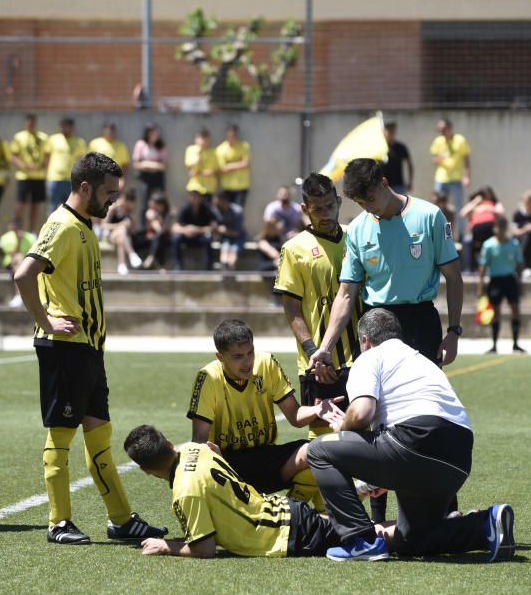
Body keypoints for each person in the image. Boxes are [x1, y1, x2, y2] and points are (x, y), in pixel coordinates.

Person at [13, 151, 167, 545]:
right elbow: (23, 274)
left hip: (88, 348)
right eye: (109, 192)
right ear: (85, 187)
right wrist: (47, 321)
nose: (114, 199)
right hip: (64, 347)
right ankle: (58, 522)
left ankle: (121, 520)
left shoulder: (84, 225)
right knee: (62, 435)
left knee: (99, 435)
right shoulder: (62, 225)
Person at [309, 158, 464, 523]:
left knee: (423, 410)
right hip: (376, 322)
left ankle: (445, 510)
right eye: (360, 203)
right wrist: (325, 346)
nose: (368, 208)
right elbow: (347, 293)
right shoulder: (359, 229)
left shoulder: (429, 216)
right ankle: (378, 517)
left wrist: (454, 330)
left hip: (420, 321)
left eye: (370, 199)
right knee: (373, 414)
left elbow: (454, 277)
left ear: (384, 182)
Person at [307, 309, 516, 562]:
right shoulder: (422, 361)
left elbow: (362, 412)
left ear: (365, 341)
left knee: (318, 449)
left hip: (414, 440)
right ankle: (484, 525)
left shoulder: (370, 356)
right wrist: (381, 474)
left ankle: (360, 540)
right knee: (412, 539)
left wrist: (342, 427)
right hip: (459, 457)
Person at [124, 425, 343, 558]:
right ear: (171, 444)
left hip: (285, 534)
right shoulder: (196, 448)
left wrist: (166, 545)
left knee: (359, 533)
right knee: (347, 525)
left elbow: (205, 550)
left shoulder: (185, 492)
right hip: (284, 512)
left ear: (146, 470)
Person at [187, 319, 333, 504]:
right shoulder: (208, 377)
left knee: (317, 453)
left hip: (265, 456)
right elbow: (199, 441)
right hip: (228, 463)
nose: (247, 362)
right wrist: (218, 463)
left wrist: (318, 410)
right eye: (237, 356)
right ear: (220, 356)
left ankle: (292, 510)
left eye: (250, 352)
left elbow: (295, 416)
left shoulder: (266, 363)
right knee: (201, 474)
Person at [273, 173, 361, 445]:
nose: (324, 214)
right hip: (321, 365)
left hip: (362, 359)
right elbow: (291, 308)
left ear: (339, 201)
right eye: (317, 208)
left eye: (329, 206)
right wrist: (314, 353)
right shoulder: (293, 249)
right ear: (305, 208)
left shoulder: (356, 236)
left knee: (367, 437)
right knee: (326, 444)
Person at [478, 216, 525, 354]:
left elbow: (519, 264)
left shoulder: (514, 244)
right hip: (495, 280)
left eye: (503, 228)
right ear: (494, 229)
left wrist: (520, 282)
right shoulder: (488, 245)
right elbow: (483, 265)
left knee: (515, 309)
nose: (500, 231)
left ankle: (515, 344)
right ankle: (494, 345)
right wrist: (480, 285)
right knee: (496, 311)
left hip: (510, 279)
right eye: (498, 227)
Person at [430, 118, 471, 243]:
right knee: (437, 208)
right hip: (441, 178)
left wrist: (467, 176)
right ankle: (437, 235)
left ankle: (460, 236)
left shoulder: (460, 140)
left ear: (449, 128)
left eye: (443, 129)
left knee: (459, 209)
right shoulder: (438, 141)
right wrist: (439, 159)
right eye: (439, 130)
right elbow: (434, 158)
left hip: (456, 179)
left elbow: (466, 159)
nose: (441, 132)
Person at [10, 113, 49, 234]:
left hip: (39, 176)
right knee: (20, 204)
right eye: (28, 123)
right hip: (24, 176)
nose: (30, 125)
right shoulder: (19, 137)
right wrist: (22, 165)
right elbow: (13, 156)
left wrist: (43, 166)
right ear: (25, 123)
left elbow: (47, 154)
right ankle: (16, 230)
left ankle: (32, 232)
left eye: (33, 123)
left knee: (35, 205)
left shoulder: (43, 137)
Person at [45, 118, 87, 212]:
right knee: (52, 207)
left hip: (71, 180)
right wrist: (46, 175)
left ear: (72, 128)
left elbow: (82, 162)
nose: (63, 129)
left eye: (66, 127)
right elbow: (47, 157)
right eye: (62, 127)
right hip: (54, 179)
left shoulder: (80, 142)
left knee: (70, 208)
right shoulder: (53, 139)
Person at [257, 186, 304, 270]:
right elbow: (268, 225)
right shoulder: (272, 208)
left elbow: (300, 226)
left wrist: (295, 234)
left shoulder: (297, 208)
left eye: (285, 194)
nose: (280, 225)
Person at [171, 187, 218, 271]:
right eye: (192, 196)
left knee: (208, 238)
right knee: (176, 238)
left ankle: (208, 267)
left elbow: (214, 227)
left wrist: (197, 230)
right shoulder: (185, 208)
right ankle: (178, 266)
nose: (194, 198)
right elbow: (175, 227)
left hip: (200, 237)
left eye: (196, 196)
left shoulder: (207, 208)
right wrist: (186, 230)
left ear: (201, 197)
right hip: (187, 237)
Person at [460, 186, 504, 273]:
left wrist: (487, 208)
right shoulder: (474, 205)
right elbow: (463, 213)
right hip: (477, 230)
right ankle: (470, 269)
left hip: (490, 227)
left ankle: (491, 266)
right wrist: (476, 202)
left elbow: (501, 211)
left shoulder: (494, 203)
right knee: (467, 241)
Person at [0, 216, 36, 307]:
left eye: (19, 225)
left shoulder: (30, 237)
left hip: (26, 263)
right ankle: (19, 296)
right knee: (18, 259)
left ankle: (20, 296)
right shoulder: (6, 237)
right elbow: (12, 254)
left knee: (20, 260)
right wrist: (18, 240)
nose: (17, 228)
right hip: (11, 263)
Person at [101, 189, 142, 274]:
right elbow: (104, 225)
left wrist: (130, 221)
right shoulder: (113, 209)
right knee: (122, 230)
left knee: (121, 237)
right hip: (111, 235)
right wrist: (120, 225)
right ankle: (132, 254)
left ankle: (122, 265)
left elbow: (134, 229)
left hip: (123, 237)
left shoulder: (129, 212)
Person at [131, 122, 167, 214]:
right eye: (153, 132)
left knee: (160, 202)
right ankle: (144, 223)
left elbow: (164, 166)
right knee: (144, 204)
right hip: (145, 177)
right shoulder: (141, 144)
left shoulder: (161, 146)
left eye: (157, 132)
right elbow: (136, 164)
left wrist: (146, 163)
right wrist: (155, 165)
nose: (155, 135)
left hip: (158, 177)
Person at [215, 124, 251, 209]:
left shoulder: (244, 145)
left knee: (238, 211)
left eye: (234, 135)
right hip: (227, 187)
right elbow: (223, 169)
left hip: (242, 186)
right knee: (226, 211)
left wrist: (229, 165)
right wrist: (239, 163)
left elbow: (246, 164)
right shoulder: (220, 149)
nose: (231, 137)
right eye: (230, 135)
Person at [133, 191, 171, 270]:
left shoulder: (167, 214)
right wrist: (157, 218)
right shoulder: (150, 212)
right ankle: (158, 264)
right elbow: (156, 227)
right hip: (151, 236)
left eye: (160, 205)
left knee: (159, 237)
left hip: (163, 237)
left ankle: (151, 259)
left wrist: (158, 218)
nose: (158, 207)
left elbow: (161, 230)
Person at [212, 190, 246, 270]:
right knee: (225, 248)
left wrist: (224, 231)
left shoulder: (237, 211)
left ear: (224, 201)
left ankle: (230, 269)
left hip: (238, 238)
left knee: (234, 250)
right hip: (225, 238)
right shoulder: (215, 210)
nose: (216, 205)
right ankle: (224, 268)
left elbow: (237, 233)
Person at [184, 127, 219, 204]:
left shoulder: (213, 152)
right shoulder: (191, 150)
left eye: (205, 139)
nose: (203, 141)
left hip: (208, 188)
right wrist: (199, 152)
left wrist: (198, 173)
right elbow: (192, 166)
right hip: (194, 187)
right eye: (200, 138)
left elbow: (213, 171)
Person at [382, 121, 413, 195]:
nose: (391, 133)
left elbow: (410, 164)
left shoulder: (401, 147)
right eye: (389, 130)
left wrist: (410, 182)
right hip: (384, 185)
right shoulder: (380, 148)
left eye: (392, 130)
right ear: (384, 131)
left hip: (399, 185)